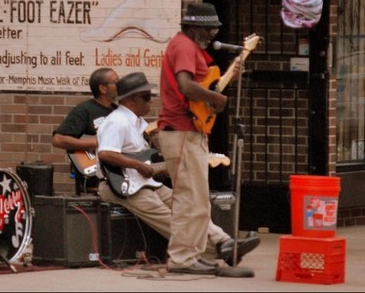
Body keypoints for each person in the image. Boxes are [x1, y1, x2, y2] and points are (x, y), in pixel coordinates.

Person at [98, 71, 259, 275]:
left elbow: (146, 159)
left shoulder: (140, 123)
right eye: (147, 97)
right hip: (123, 186)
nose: (151, 101)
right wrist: (139, 166)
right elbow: (105, 154)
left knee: (187, 206)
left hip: (143, 182)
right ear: (132, 99)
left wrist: (164, 166)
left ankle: (224, 241)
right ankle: (215, 252)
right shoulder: (118, 121)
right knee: (169, 218)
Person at [156, 2, 258, 274]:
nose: (213, 33)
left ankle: (191, 255)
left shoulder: (188, 47)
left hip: (189, 130)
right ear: (192, 26)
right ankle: (181, 259)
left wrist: (219, 88)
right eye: (208, 27)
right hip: (181, 130)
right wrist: (218, 98)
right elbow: (186, 87)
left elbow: (199, 88)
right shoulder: (185, 47)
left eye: (214, 28)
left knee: (197, 200)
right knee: (191, 200)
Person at [52, 67, 119, 195]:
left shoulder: (118, 112)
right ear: (103, 88)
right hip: (93, 178)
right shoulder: (84, 110)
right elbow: (58, 140)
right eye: (116, 81)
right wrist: (95, 143)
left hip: (117, 175)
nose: (120, 85)